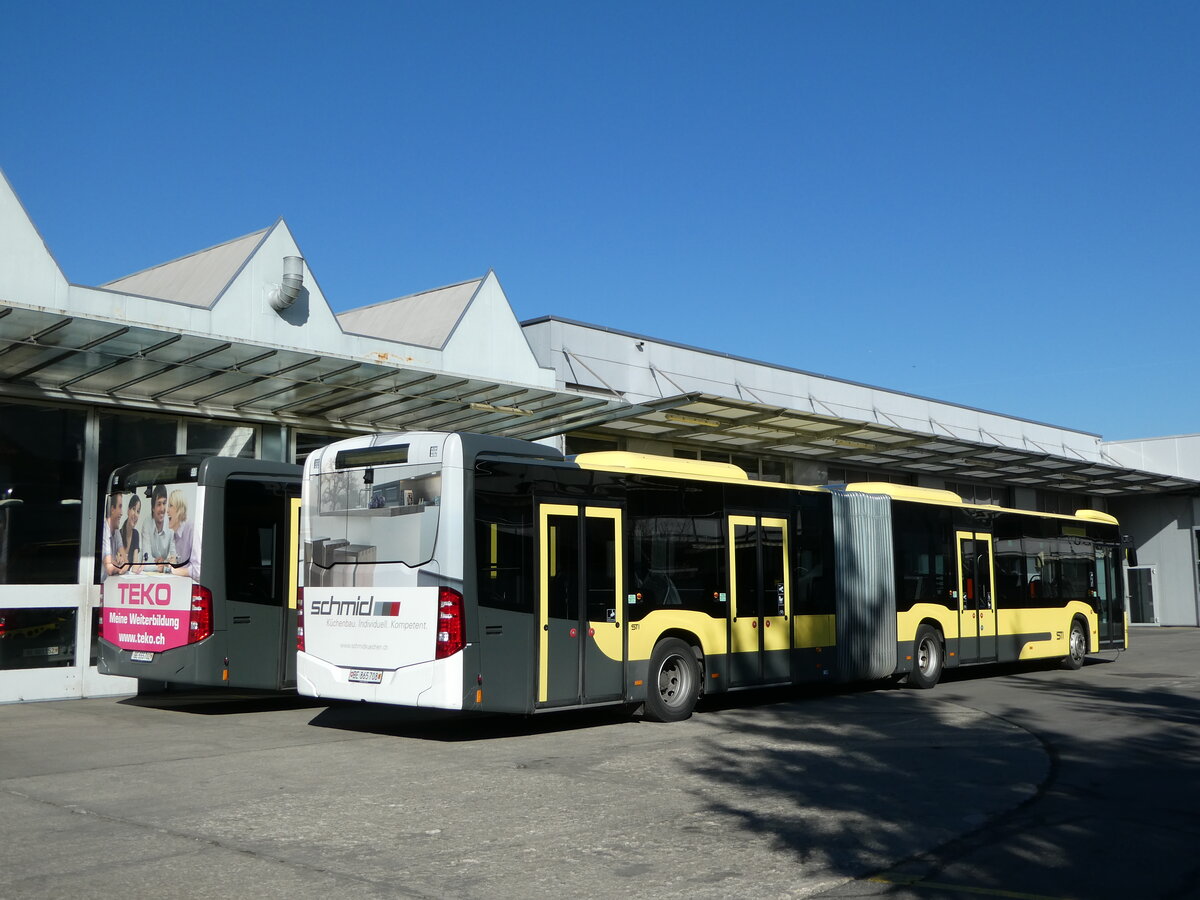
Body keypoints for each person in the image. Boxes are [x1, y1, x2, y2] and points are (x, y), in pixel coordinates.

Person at [141, 485, 175, 572]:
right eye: (159, 504)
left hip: (165, 575)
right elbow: (146, 562)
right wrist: (162, 566)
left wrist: (164, 563)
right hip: (150, 575)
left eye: (164, 503)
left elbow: (175, 560)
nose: (162, 508)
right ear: (153, 508)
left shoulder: (171, 523)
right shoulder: (147, 523)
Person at [100, 492, 127, 581]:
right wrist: (120, 566)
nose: (122, 513)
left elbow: (126, 561)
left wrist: (119, 564)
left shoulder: (116, 531)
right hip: (101, 585)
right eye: (120, 507)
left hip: (110, 583)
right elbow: (110, 568)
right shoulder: (103, 531)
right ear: (112, 509)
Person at [167, 489, 193, 576]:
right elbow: (183, 564)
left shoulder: (191, 529)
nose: (167, 511)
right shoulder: (176, 534)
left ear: (180, 509)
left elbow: (198, 570)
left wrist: (174, 570)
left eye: (170, 505)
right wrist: (171, 563)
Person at [120, 493, 141, 567]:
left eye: (138, 511)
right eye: (133, 509)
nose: (135, 514)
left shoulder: (135, 534)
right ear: (128, 510)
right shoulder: (118, 535)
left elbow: (135, 564)